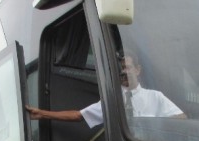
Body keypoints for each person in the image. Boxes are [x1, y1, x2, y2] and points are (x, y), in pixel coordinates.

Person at [26, 52, 186, 133]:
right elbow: (78, 115)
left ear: (138, 70)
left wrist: (151, 124)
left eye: (127, 67)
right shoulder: (113, 100)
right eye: (120, 69)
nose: (124, 72)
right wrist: (42, 114)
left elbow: (181, 118)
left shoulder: (155, 97)